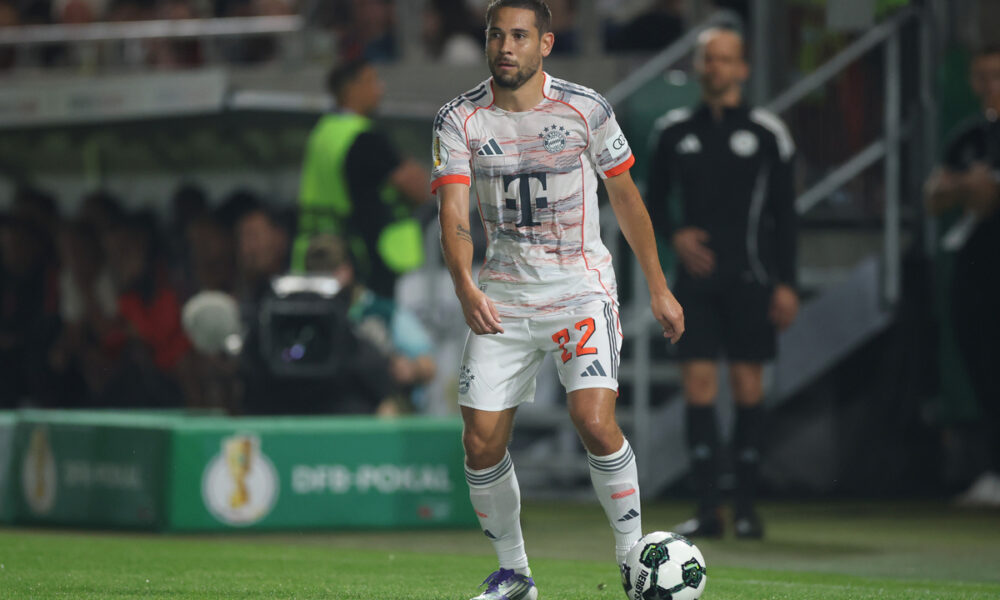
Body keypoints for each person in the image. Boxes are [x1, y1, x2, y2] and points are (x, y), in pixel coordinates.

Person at [433, 2, 684, 598]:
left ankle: (632, 560)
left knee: (594, 422)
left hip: (579, 290)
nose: (505, 47)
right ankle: (515, 574)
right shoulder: (459, 118)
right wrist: (466, 285)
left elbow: (625, 198)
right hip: (504, 296)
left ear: (545, 43)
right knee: (479, 441)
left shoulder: (586, 108)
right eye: (496, 35)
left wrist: (658, 286)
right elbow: (454, 213)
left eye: (519, 36)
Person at [646, 27, 798, 539]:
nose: (716, 68)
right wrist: (676, 236)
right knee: (699, 388)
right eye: (708, 59)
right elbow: (648, 203)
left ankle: (749, 509)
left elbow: (785, 215)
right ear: (698, 66)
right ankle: (710, 510)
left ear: (743, 68)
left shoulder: (767, 132)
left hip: (753, 279)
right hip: (696, 284)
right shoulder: (672, 131)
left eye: (726, 59)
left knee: (748, 387)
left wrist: (787, 283)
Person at [925, 44, 1000, 507]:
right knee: (986, 372)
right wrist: (967, 187)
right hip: (978, 276)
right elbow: (935, 196)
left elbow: (983, 198)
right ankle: (993, 472)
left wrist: (974, 188)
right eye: (983, 76)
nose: (990, 85)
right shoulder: (969, 135)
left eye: (997, 75)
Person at [294, 58, 431, 298]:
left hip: (318, 252)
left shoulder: (322, 133)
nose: (380, 88)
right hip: (361, 260)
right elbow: (421, 189)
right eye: (372, 81)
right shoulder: (362, 137)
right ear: (351, 88)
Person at [304, 234, 437, 414]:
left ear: (348, 269)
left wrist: (409, 369)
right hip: (321, 403)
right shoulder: (303, 317)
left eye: (332, 270)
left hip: (375, 406)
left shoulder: (381, 312)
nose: (326, 280)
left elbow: (428, 367)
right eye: (317, 273)